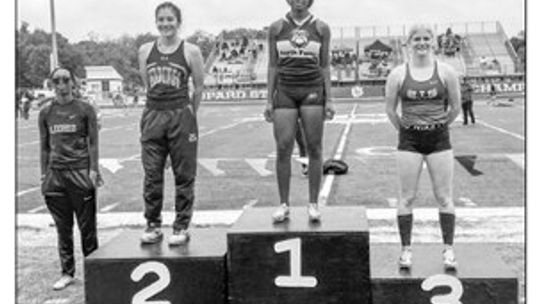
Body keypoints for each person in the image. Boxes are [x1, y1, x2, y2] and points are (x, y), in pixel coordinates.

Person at [385, 24, 461, 270]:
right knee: (407, 197)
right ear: (408, 42)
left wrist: (437, 126)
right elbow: (390, 110)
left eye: (426, 38)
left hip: (439, 140)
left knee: (444, 196)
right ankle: (406, 250)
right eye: (416, 38)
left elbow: (456, 107)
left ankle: (449, 250)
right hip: (409, 142)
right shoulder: (398, 74)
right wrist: (409, 129)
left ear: (433, 42)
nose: (421, 42)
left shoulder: (446, 71)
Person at [138, 2, 205, 245]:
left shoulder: (191, 51)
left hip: (181, 116)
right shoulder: (145, 50)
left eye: (170, 19)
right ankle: (153, 224)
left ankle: (181, 226)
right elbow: (148, 85)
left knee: (184, 175)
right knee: (152, 174)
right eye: (161, 19)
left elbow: (198, 87)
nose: (165, 24)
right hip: (153, 115)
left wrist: (189, 113)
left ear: (178, 22)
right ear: (156, 22)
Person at [264, 0, 335, 223]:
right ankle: (284, 204)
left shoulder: (321, 28)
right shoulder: (276, 28)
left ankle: (313, 204)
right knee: (283, 146)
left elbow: (324, 65)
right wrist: (268, 100)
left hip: (312, 90)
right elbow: (273, 65)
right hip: (285, 91)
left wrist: (329, 99)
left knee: (314, 147)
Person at [38, 67, 103, 290]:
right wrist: (43, 175)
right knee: (62, 228)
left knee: (88, 228)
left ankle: (94, 273)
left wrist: (93, 170)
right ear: (52, 83)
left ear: (73, 82)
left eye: (66, 79)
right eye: (57, 80)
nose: (62, 84)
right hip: (56, 176)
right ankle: (67, 272)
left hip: (80, 172)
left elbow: (93, 142)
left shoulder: (85, 109)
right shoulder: (45, 112)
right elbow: (44, 147)